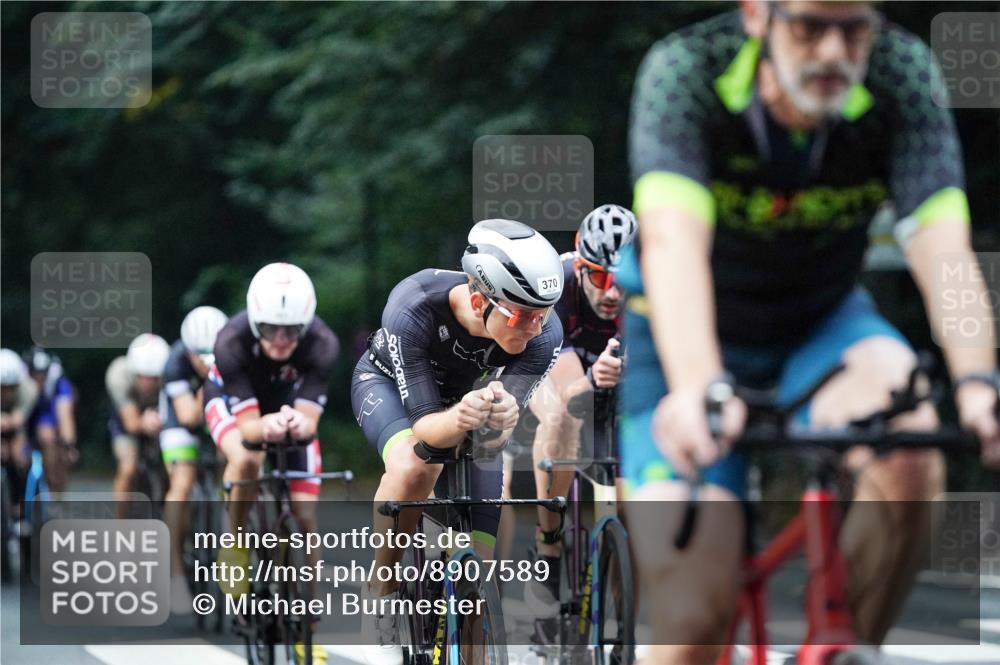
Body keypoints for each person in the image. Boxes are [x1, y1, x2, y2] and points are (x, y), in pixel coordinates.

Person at [621, 2, 1000, 663]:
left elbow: (942, 246)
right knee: (693, 616)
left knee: (908, 448)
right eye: (808, 26)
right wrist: (699, 384)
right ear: (756, 15)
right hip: (677, 334)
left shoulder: (901, 71)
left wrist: (977, 382)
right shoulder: (686, 70)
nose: (832, 51)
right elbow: (672, 241)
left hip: (822, 323)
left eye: (854, 28)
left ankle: (846, 648)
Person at [349, 218, 564, 664]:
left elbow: (494, 435)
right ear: (478, 299)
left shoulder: (545, 332)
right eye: (521, 315)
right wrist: (463, 416)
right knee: (415, 466)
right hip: (391, 388)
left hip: (468, 402)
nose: (534, 328)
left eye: (542, 314)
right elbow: (427, 428)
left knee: (477, 582)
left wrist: (502, 418)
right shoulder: (414, 306)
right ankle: (382, 591)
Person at [501, 205, 635, 616]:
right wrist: (596, 378)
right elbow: (569, 390)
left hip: (612, 385)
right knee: (562, 415)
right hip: (548, 375)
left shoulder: (649, 292)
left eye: (621, 280)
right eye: (600, 277)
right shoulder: (558, 286)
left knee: (630, 508)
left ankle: (622, 626)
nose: (612, 292)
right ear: (580, 266)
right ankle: (549, 545)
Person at [204, 262, 338, 665]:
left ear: (306, 325)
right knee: (247, 458)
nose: (280, 341)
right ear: (254, 321)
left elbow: (309, 424)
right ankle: (235, 541)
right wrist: (269, 425)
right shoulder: (230, 341)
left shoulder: (323, 343)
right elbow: (249, 430)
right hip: (233, 404)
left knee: (305, 520)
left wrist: (296, 423)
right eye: (270, 330)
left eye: (291, 331)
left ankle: (309, 628)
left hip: (286, 406)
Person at [160, 305, 229, 615]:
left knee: (233, 456)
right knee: (182, 482)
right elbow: (188, 416)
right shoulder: (175, 362)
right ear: (187, 351)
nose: (204, 360)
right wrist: (212, 380)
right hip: (181, 417)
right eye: (199, 355)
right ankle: (175, 573)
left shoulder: (234, 353)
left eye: (211, 353)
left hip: (218, 410)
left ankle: (230, 512)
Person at [107, 333, 171, 505]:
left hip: (161, 419)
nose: (146, 383)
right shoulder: (118, 374)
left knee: (173, 466)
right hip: (126, 420)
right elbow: (131, 423)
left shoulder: (172, 372)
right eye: (141, 376)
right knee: (128, 467)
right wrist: (144, 422)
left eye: (153, 378)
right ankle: (120, 519)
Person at [22, 347, 76, 495]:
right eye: (35, 374)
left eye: (43, 374)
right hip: (25, 414)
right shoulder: (19, 380)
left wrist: (69, 445)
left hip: (47, 413)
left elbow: (65, 416)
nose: (39, 379)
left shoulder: (58, 383)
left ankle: (54, 488)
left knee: (50, 438)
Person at [0, 349, 37, 525]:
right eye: (2, 387)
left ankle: (19, 503)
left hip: (15, 427)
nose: (6, 392)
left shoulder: (29, 388)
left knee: (19, 454)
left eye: (11, 387)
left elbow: (18, 419)